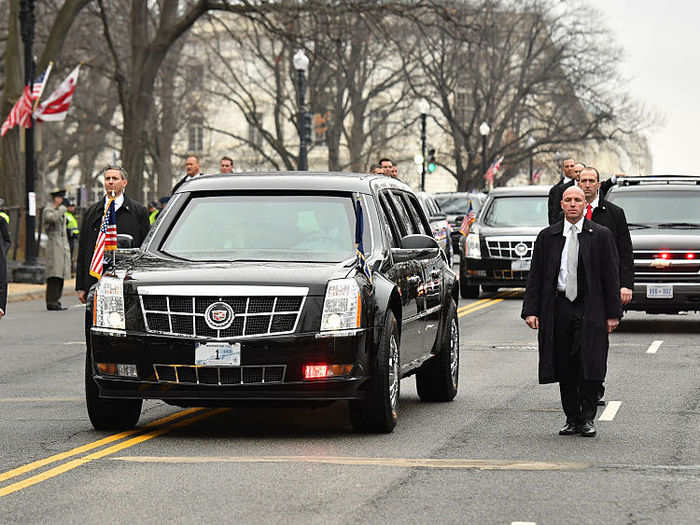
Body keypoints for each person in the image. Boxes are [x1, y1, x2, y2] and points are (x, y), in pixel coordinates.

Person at [522, 185, 622, 437]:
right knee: (564, 364)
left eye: (578, 200)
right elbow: (536, 276)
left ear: (584, 204)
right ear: (562, 205)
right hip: (559, 306)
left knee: (590, 362)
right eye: (568, 200)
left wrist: (613, 313)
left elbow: (611, 276)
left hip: (591, 307)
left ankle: (587, 417)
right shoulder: (548, 236)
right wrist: (531, 310)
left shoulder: (600, 235)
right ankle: (572, 417)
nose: (573, 204)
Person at [578, 166, 633, 405]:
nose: (587, 185)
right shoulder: (569, 212)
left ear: (599, 184)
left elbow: (624, 252)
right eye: (583, 180)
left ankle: (596, 384)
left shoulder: (613, 214)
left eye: (591, 181)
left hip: (602, 290)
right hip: (574, 288)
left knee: (597, 342)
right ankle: (578, 387)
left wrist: (625, 285)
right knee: (573, 341)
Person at [76, 166, 150, 305]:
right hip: (97, 275)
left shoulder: (139, 211)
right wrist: (81, 286)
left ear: (124, 182)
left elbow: (145, 247)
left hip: (128, 277)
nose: (110, 182)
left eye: (115, 178)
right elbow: (83, 250)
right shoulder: (92, 212)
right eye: (107, 178)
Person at [43, 189, 72, 311]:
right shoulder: (49, 209)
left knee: (60, 274)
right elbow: (52, 219)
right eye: (60, 198)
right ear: (55, 198)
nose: (61, 200)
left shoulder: (60, 210)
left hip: (62, 245)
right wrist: (61, 209)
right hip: (54, 245)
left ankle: (57, 300)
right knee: (54, 274)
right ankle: (51, 301)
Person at [547, 157, 577, 225]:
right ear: (563, 169)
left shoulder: (584, 186)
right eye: (567, 166)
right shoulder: (555, 190)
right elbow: (553, 213)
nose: (569, 168)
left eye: (572, 166)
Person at [64, 198, 80, 263]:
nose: (72, 208)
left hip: (74, 238)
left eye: (73, 207)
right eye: (70, 207)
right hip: (68, 238)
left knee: (72, 255)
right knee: (68, 256)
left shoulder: (73, 216)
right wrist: (69, 232)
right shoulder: (66, 215)